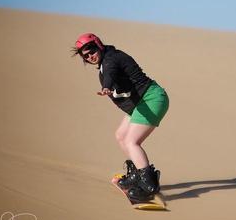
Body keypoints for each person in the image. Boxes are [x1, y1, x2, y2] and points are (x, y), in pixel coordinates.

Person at [72, 33, 169, 201]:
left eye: (92, 51)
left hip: (151, 99)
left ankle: (148, 186)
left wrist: (106, 87)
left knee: (132, 141)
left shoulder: (111, 59)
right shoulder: (105, 61)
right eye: (85, 56)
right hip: (140, 104)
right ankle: (138, 175)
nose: (90, 57)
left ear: (99, 45)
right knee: (121, 136)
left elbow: (110, 73)